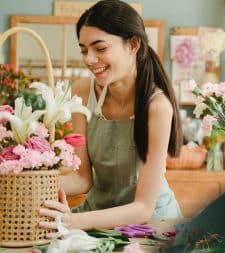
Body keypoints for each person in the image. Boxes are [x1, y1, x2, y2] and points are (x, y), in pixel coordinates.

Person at [38, 0, 183, 235]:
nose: (89, 59)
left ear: (133, 44)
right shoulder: (83, 92)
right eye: (84, 50)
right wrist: (32, 184)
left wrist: (73, 221)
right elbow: (83, 179)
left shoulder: (157, 107)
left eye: (100, 48)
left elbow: (143, 208)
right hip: (95, 217)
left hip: (149, 226)